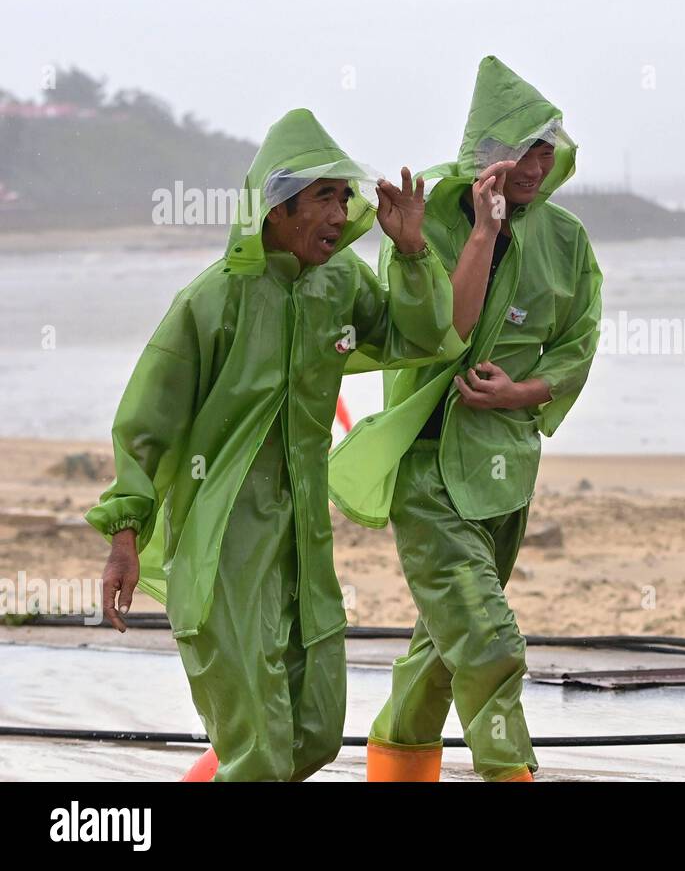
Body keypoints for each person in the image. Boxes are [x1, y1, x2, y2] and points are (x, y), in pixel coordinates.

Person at [88, 108, 466, 781]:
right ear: (278, 209)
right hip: (224, 549)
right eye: (325, 197)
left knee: (313, 733)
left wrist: (412, 250)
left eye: (344, 198)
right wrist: (124, 534)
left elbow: (422, 337)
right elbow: (147, 421)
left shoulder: (341, 285)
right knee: (259, 748)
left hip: (304, 545)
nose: (341, 212)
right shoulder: (214, 300)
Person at [329, 57, 603, 782]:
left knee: (442, 649)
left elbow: (580, 340)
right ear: (487, 152)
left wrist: (521, 393)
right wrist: (483, 230)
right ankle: (511, 773)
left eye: (548, 148)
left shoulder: (567, 239)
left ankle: (396, 765)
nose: (538, 164)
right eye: (524, 147)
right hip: (427, 464)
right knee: (488, 643)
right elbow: (444, 327)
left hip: (507, 465)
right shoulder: (425, 225)